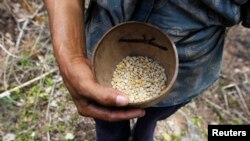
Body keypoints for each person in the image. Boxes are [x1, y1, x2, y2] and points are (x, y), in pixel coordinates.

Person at [43, 0, 249, 141]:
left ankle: (145, 131)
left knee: (153, 115)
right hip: (102, 54)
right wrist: (70, 54)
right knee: (106, 119)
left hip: (184, 73)